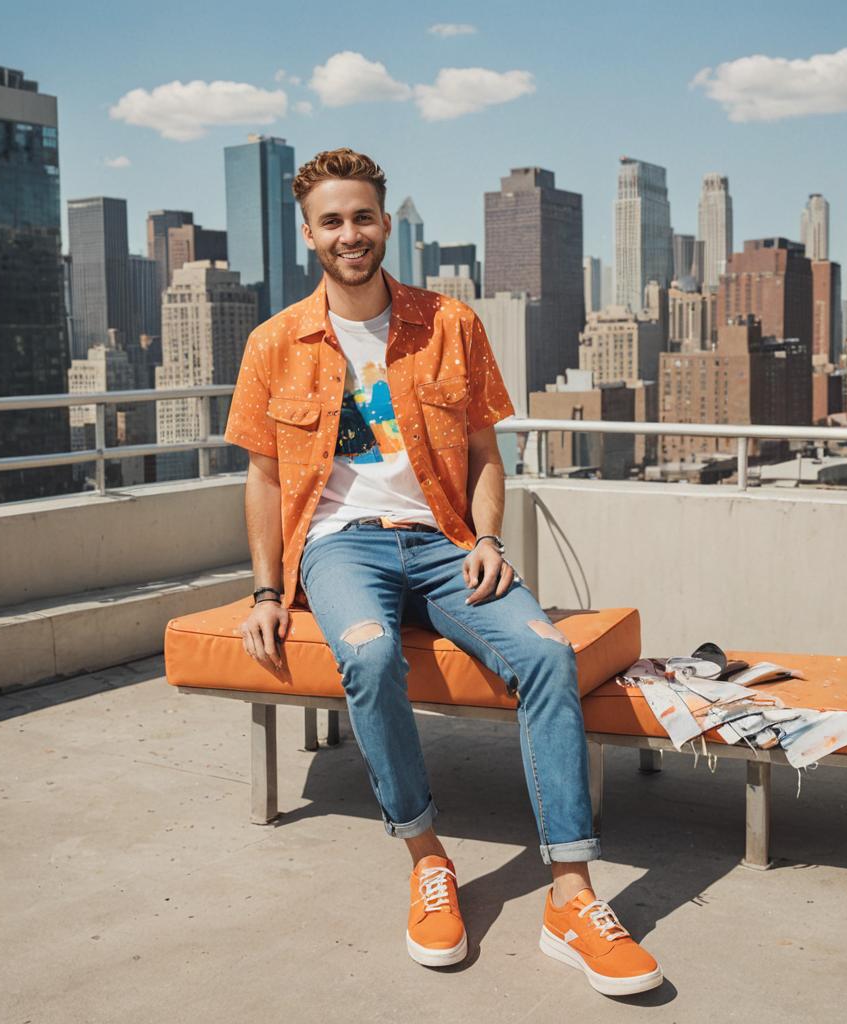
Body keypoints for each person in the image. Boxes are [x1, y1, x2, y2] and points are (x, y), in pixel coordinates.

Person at [223, 148, 662, 996]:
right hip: (339, 544)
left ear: (385, 223)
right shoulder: (274, 342)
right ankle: (428, 860)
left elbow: (487, 452)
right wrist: (268, 590)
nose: (349, 233)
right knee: (370, 653)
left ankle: (571, 893)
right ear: (309, 233)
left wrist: (488, 540)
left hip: (442, 540)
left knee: (543, 653)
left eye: (362, 216)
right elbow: (266, 477)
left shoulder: (450, 323)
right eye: (331, 220)